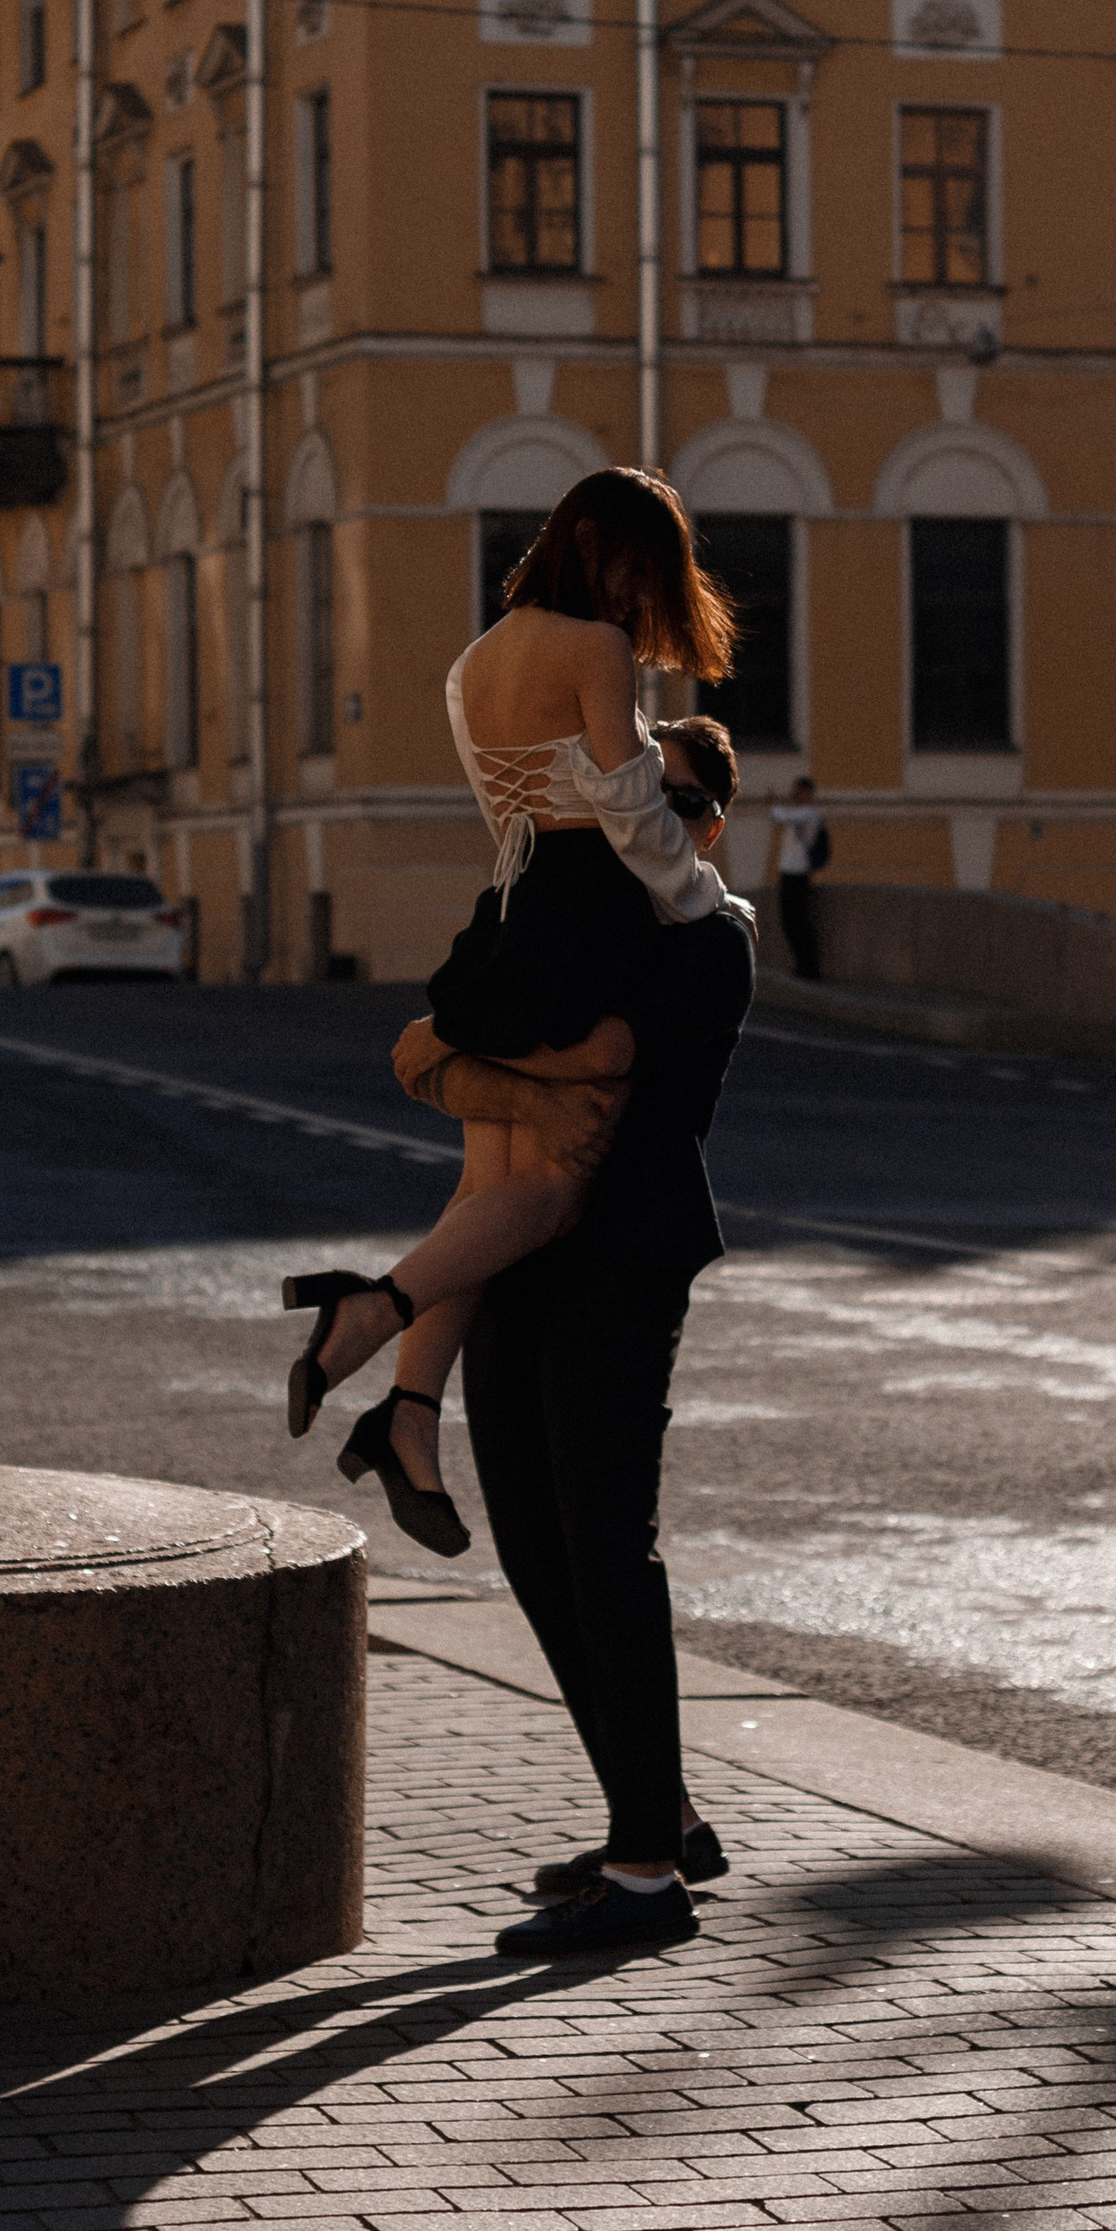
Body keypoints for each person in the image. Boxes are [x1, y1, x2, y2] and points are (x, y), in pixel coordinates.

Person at [278, 469, 737, 1550]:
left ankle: (410, 1414)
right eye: (638, 572)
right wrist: (708, 902)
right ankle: (373, 1308)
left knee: (485, 1190)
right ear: (595, 544)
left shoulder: (474, 662)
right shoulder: (594, 649)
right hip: (586, 913)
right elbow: (632, 814)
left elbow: (509, 813)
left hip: (512, 910)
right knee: (549, 1188)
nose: (637, 599)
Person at [393, 715, 756, 1957]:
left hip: (623, 1261)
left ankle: (645, 1881)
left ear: (712, 825)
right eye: (649, 793)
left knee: (606, 1552)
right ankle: (661, 1820)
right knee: (539, 1556)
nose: (667, 818)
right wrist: (469, 1042)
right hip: (516, 1259)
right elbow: (438, 1036)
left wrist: (468, 1046)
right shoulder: (562, 913)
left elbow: (593, 1052)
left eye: (690, 803)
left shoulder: (711, 937)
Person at [771, 771, 827, 981]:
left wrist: (773, 804)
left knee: (798, 922)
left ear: (806, 792)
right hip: (790, 872)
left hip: (798, 873)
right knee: (791, 921)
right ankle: (803, 965)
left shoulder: (809, 814)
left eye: (797, 791)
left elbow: (780, 816)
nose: (794, 794)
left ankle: (809, 967)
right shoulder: (802, 813)